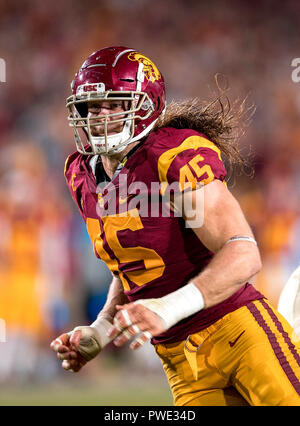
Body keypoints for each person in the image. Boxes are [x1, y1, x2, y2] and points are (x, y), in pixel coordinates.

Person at [50, 46, 300, 406]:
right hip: (179, 361)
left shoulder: (172, 156)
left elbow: (243, 252)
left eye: (113, 105)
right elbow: (133, 269)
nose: (99, 116)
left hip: (237, 332)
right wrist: (102, 330)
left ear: (144, 107)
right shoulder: (81, 175)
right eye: (92, 107)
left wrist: (166, 308)